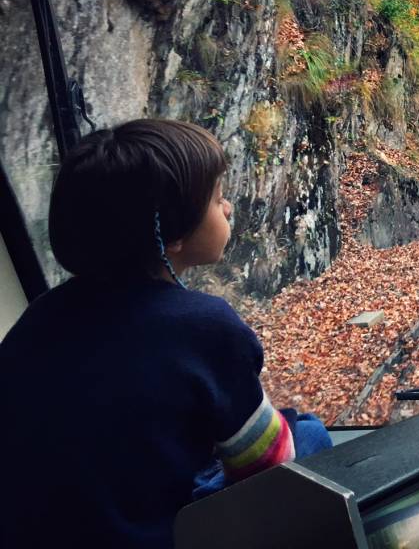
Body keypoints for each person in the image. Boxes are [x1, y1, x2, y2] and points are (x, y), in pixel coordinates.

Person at [0, 119, 331, 548]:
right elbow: (270, 463)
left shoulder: (38, 316)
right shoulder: (204, 325)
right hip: (155, 536)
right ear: (172, 235)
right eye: (217, 200)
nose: (228, 208)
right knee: (308, 433)